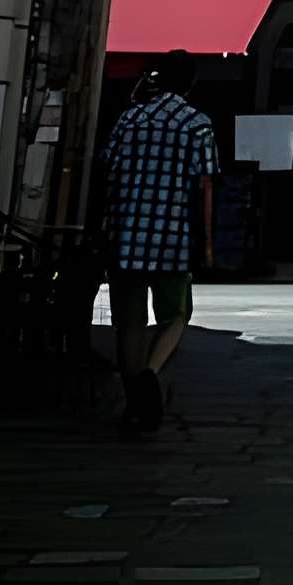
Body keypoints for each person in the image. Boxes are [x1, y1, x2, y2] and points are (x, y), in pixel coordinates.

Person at [98, 48, 218, 434]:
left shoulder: (129, 119)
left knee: (128, 322)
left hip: (125, 232)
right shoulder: (197, 124)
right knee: (176, 314)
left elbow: (107, 170)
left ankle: (134, 398)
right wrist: (209, 241)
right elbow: (204, 185)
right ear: (191, 83)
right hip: (172, 236)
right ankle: (151, 371)